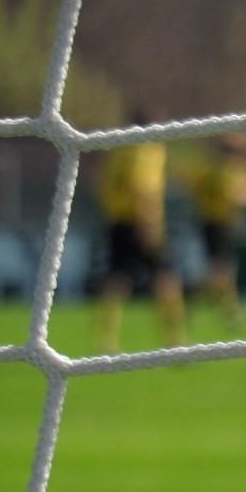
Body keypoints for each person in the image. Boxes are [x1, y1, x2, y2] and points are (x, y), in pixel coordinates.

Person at [95, 108, 187, 353]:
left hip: (117, 221)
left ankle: (106, 340)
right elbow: (143, 187)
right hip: (143, 222)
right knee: (165, 278)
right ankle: (174, 338)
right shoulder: (147, 150)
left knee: (116, 279)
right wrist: (149, 225)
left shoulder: (118, 149)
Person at [189, 131, 246, 329]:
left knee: (220, 272)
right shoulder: (234, 169)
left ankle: (226, 312)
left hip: (207, 221)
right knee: (222, 272)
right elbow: (237, 194)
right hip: (222, 223)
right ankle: (225, 313)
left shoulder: (208, 168)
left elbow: (194, 188)